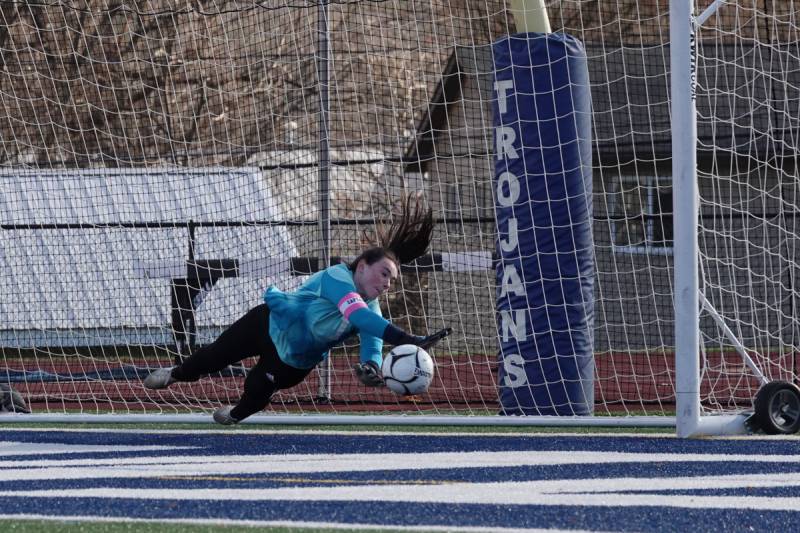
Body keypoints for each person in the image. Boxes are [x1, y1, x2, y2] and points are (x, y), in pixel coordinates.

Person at [143, 194, 451, 424]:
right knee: (209, 359)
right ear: (361, 266)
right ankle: (176, 373)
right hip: (268, 324)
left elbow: (372, 341)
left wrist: (372, 369)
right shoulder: (337, 278)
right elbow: (357, 316)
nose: (387, 284)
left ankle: (236, 415)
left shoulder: (372, 309)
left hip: (294, 360)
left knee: (256, 390)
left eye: (392, 281)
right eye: (384, 274)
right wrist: (409, 339)